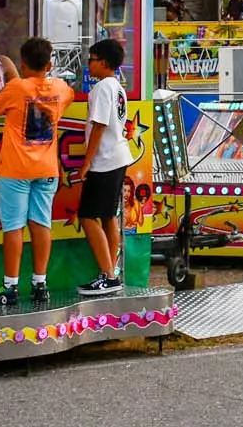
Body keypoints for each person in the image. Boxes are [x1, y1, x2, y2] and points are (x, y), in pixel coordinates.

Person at [0, 37, 72, 307]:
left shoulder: (16, 87)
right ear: (49, 64)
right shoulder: (60, 88)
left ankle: (10, 287)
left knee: (14, 226)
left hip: (15, 169)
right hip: (47, 168)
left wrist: (14, 75)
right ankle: (40, 283)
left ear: (22, 63)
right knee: (41, 223)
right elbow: (68, 96)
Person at [74, 38, 134, 296]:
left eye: (92, 59)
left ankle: (107, 274)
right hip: (119, 156)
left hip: (105, 160)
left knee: (87, 216)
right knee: (109, 216)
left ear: (105, 63)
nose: (89, 64)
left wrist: (86, 162)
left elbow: (99, 125)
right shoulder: (117, 86)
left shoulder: (101, 88)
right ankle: (111, 271)